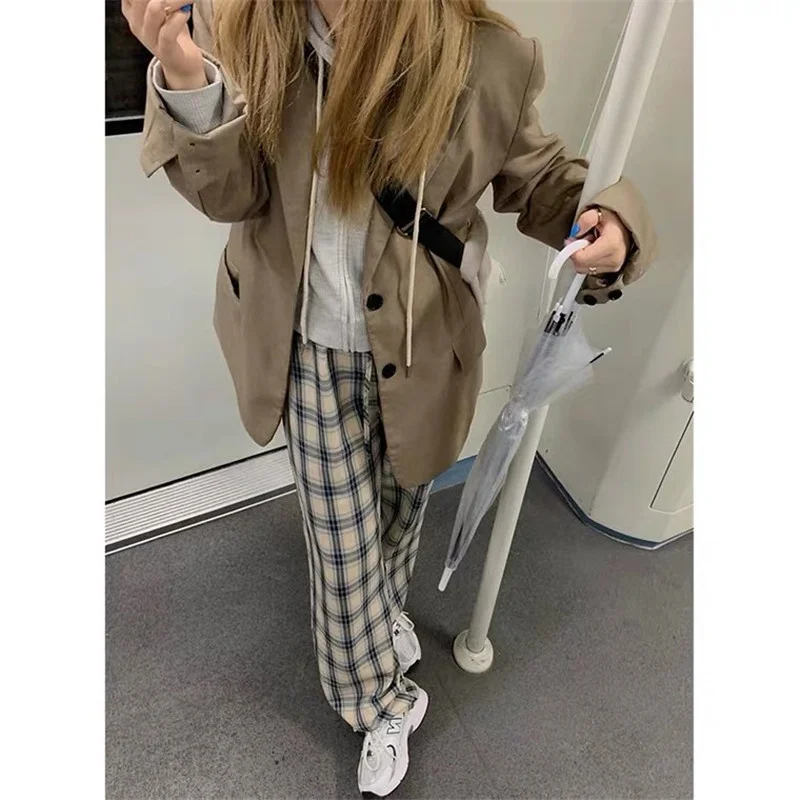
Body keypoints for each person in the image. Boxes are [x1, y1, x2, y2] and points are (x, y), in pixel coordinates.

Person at [122, 0, 656, 795]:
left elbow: (544, 183)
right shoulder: (246, 27)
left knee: (401, 513)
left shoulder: (486, 56)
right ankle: (379, 699)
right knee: (342, 551)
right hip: (303, 349)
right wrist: (183, 71)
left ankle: (381, 623)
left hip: (425, 347)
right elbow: (230, 196)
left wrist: (610, 225)